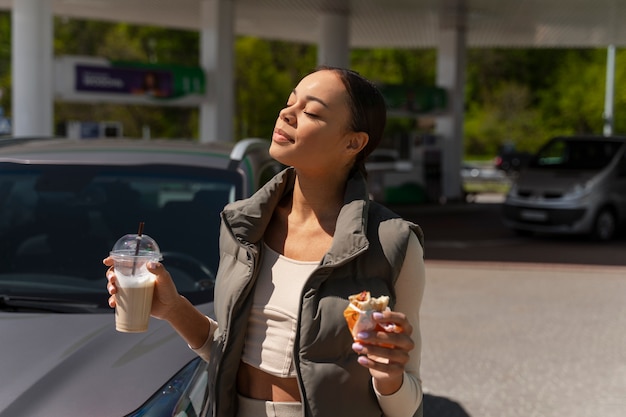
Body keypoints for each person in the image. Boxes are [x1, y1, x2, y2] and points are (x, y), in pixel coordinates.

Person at [105, 66, 425, 417]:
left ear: (353, 142)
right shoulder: (242, 224)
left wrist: (388, 376)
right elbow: (227, 354)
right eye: (289, 103)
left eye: (311, 112)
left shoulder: (392, 241)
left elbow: (407, 405)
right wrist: (173, 309)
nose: (287, 114)